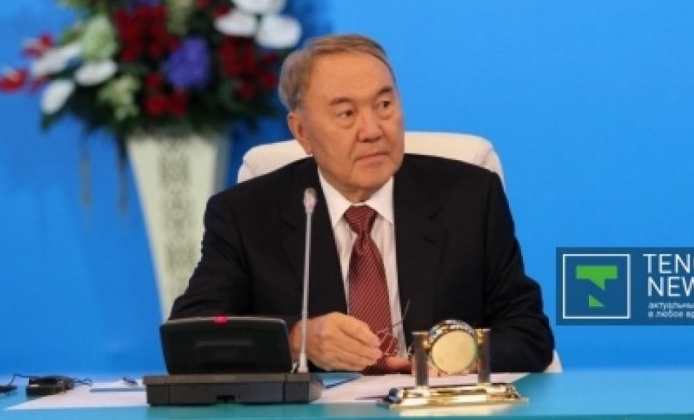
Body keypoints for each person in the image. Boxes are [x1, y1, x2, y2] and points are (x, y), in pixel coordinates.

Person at [170, 33, 554, 373]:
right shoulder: (246, 214)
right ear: (302, 131)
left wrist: (454, 358)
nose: (372, 130)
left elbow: (528, 333)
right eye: (346, 113)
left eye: (384, 105)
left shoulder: (469, 197)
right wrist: (297, 338)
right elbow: (192, 334)